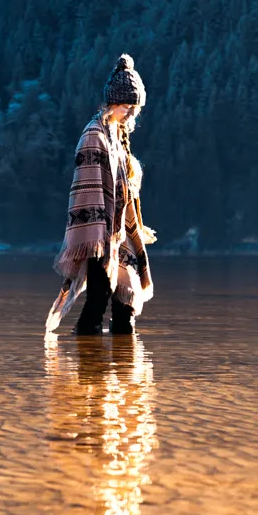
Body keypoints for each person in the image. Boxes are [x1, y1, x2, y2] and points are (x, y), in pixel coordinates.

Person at [47, 55, 155, 335]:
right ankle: (88, 367)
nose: (131, 114)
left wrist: (136, 228)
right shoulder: (93, 135)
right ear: (111, 104)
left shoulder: (117, 136)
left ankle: (121, 367)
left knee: (126, 302)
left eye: (135, 108)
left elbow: (123, 191)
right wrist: (97, 235)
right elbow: (87, 190)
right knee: (97, 299)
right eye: (126, 107)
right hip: (97, 235)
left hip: (119, 234)